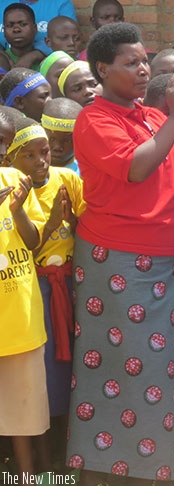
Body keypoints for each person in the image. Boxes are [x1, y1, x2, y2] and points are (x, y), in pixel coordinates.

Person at [65, 22, 174, 484]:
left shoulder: (151, 118)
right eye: (130, 63)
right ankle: (105, 468)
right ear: (102, 69)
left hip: (167, 260)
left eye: (144, 59)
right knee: (119, 370)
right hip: (117, 263)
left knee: (165, 368)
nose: (143, 69)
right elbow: (136, 169)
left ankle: (162, 465)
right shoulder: (95, 120)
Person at [9, 114, 85, 474]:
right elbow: (25, 248)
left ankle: (69, 451)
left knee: (72, 368)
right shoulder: (14, 192)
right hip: (35, 289)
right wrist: (53, 222)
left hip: (70, 286)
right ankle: (45, 456)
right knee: (44, 374)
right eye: (31, 156)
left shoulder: (68, 179)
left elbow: (88, 226)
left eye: (45, 153)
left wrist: (71, 222)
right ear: (11, 160)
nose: (42, 161)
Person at [0, 110, 49, 480]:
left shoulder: (15, 179)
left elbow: (32, 242)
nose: (2, 151)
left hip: (19, 319)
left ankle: (27, 476)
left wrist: (17, 212)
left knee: (23, 411)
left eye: (5, 143)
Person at [41, 97, 81, 171]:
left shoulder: (86, 172)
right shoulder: (23, 169)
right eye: (51, 139)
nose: (57, 147)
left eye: (67, 141)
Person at [4, 3, 40, 70]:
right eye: (10, 25)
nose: (16, 29)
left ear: (35, 29)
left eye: (23, 24)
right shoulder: (3, 61)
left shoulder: (46, 59)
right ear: (4, 31)